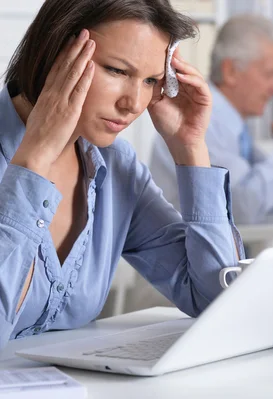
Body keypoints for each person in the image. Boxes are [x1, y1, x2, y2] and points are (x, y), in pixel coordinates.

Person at [0, 0, 244, 349]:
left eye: (150, 80)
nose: (134, 103)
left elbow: (219, 300)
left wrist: (191, 149)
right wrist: (35, 158)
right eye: (117, 70)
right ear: (56, 54)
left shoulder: (115, 167)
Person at [150, 14, 273, 225]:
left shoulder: (234, 126)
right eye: (271, 74)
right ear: (231, 71)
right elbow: (241, 207)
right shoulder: (203, 120)